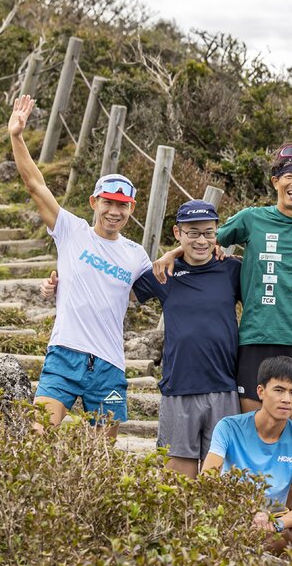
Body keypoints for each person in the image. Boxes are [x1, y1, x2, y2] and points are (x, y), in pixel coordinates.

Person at [153, 145, 292, 432]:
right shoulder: (251, 218)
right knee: (252, 437)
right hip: (256, 337)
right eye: (289, 175)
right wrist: (171, 254)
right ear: (275, 181)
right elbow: (203, 241)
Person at [43, 199, 241, 477]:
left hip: (225, 387)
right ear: (177, 232)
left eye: (208, 232)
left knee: (220, 480)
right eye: (192, 232)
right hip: (178, 387)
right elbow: (115, 287)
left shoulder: (232, 270)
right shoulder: (164, 274)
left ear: (216, 233)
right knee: (176, 484)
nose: (201, 240)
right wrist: (60, 285)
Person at [8, 94, 151, 435]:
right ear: (94, 202)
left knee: (100, 456)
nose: (115, 212)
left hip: (110, 366)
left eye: (123, 205)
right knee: (36, 437)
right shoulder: (72, 231)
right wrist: (16, 136)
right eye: (108, 203)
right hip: (65, 355)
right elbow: (35, 185)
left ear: (132, 209)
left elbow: (165, 284)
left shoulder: (136, 255)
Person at [204, 356, 292, 551]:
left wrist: (275, 524)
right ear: (261, 391)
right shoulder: (229, 427)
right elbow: (207, 481)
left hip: (274, 519)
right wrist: (249, 512)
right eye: (279, 390)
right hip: (231, 511)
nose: (286, 399)